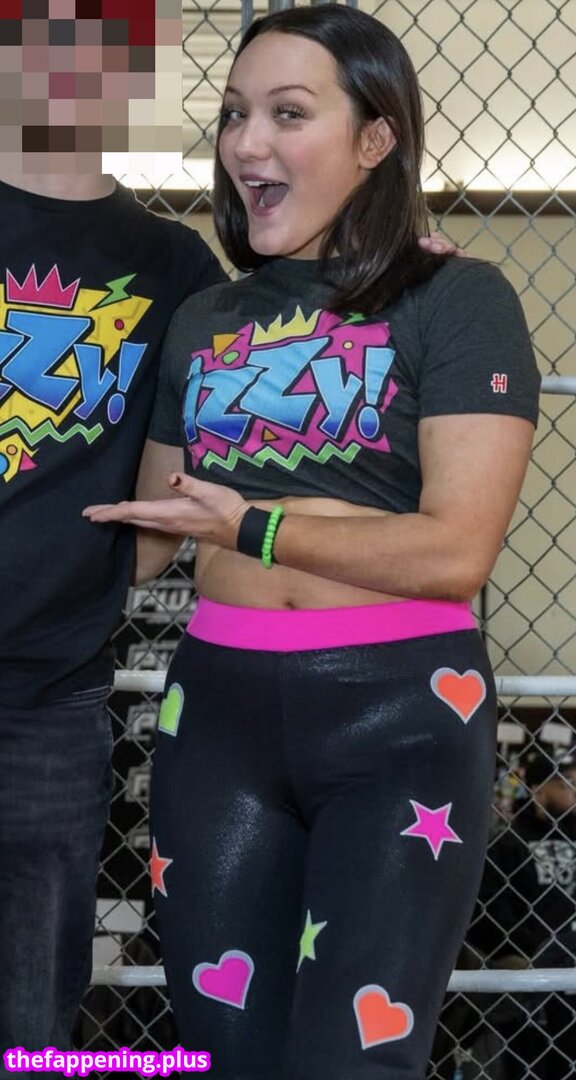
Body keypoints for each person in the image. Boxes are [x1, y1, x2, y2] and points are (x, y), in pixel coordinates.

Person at [84, 5, 541, 1077]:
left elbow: (457, 552)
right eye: (235, 114)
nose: (248, 143)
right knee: (223, 1051)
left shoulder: (459, 298)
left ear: (376, 137)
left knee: (351, 1060)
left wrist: (250, 525)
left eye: (290, 114)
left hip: (402, 715)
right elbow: (145, 537)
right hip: (216, 712)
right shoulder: (204, 318)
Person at [0, 4, 228, 1067]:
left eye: (101, 40)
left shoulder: (174, 267)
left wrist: (414, 269)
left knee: (29, 1020)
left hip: (47, 697)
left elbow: (165, 503)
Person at [468, 751, 576, 1079]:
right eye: (567, 783)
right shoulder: (509, 843)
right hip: (536, 966)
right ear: (538, 789)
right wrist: (535, 947)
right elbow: (489, 914)